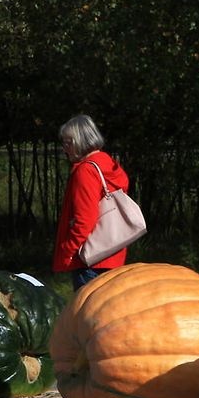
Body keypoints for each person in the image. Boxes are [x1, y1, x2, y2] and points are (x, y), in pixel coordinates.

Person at [53, 114, 131, 290]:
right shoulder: (108, 163)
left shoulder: (86, 171)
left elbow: (85, 220)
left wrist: (67, 250)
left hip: (91, 259)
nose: (65, 149)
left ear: (81, 140)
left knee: (87, 314)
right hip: (113, 252)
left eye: (68, 142)